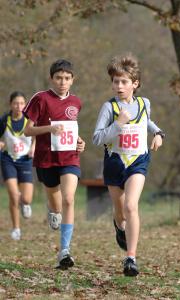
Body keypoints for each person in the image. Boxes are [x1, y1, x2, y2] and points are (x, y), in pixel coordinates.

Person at [93, 53, 165, 276]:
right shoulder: (109, 108)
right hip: (115, 162)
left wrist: (158, 133)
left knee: (131, 206)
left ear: (135, 84)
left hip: (138, 162)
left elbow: (147, 121)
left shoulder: (144, 104)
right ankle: (119, 227)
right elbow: (97, 138)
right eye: (116, 81)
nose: (119, 86)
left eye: (124, 82)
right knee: (121, 212)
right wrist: (118, 124)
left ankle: (130, 259)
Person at [23, 59, 85, 270]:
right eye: (58, 78)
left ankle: (64, 251)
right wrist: (48, 129)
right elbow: (27, 130)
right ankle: (52, 210)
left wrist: (80, 141)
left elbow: (72, 130)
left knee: (69, 199)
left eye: (67, 78)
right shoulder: (40, 99)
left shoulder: (76, 102)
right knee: (57, 204)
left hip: (69, 159)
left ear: (72, 80)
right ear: (52, 78)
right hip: (46, 159)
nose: (62, 82)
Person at [0, 91, 35, 241]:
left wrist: (34, 146)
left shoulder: (29, 119)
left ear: (25, 105)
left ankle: (25, 204)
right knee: (14, 196)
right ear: (11, 104)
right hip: (8, 160)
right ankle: (16, 228)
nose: (19, 106)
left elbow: (37, 135)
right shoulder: (4, 120)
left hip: (26, 160)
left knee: (26, 199)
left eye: (22, 103)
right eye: (16, 103)